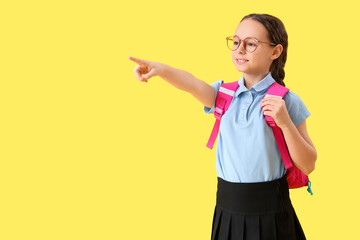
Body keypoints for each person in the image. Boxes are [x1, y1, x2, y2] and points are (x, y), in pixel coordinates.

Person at [128, 13, 317, 240]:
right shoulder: (224, 95)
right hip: (227, 210)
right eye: (236, 42)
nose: (239, 49)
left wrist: (285, 123)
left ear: (275, 52)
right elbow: (192, 84)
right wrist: (162, 69)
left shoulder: (286, 101)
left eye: (251, 44)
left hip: (272, 213)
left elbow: (308, 164)